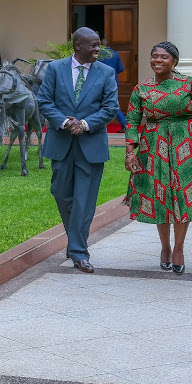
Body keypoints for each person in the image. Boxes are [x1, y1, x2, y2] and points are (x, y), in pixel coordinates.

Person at [124, 42, 192, 275]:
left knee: (183, 194)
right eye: (154, 56)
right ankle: (165, 247)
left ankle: (179, 249)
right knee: (159, 196)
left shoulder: (189, 85)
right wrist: (130, 151)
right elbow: (132, 120)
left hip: (186, 144)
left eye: (164, 57)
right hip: (153, 146)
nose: (158, 60)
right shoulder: (141, 88)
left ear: (174, 61)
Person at [38, 27, 119, 273]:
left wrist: (84, 124)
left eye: (99, 45)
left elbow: (110, 107)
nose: (98, 49)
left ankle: (78, 251)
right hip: (60, 142)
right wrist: (65, 121)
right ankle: (75, 240)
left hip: (91, 144)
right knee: (61, 194)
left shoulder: (106, 72)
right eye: (93, 45)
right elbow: (44, 101)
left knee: (84, 200)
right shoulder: (55, 69)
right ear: (77, 46)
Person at [99, 38, 127, 132]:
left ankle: (124, 123)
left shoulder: (98, 54)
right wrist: (112, 74)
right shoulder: (115, 53)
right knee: (112, 103)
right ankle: (124, 123)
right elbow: (121, 68)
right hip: (113, 82)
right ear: (109, 45)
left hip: (99, 82)